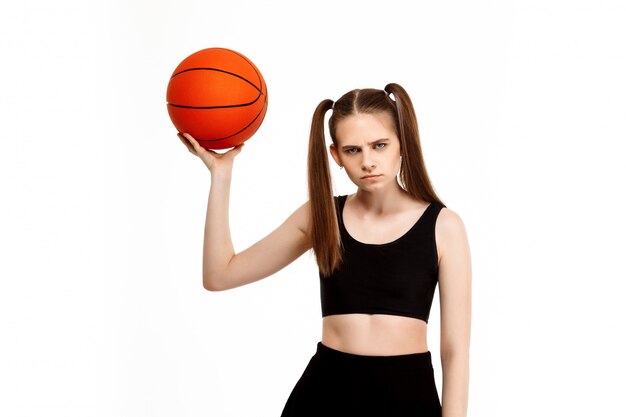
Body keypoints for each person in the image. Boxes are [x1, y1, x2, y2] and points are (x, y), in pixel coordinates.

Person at [177, 83, 472, 417]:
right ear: (336, 156)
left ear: (401, 142)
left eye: (379, 145)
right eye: (353, 150)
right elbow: (219, 275)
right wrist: (221, 176)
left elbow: (454, 351)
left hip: (407, 396)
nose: (368, 161)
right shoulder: (322, 217)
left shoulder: (444, 227)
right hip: (326, 395)